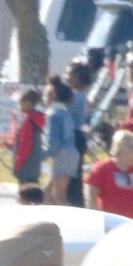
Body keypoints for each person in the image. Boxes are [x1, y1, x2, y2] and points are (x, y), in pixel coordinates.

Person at [84, 128, 133, 218]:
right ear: (122, 148)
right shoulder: (102, 168)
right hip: (111, 224)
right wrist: (94, 218)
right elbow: (91, 196)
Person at [42, 76, 81, 206]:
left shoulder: (53, 114)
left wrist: (40, 156)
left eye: (45, 93)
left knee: (59, 196)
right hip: (70, 153)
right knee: (47, 192)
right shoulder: (64, 112)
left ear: (51, 95)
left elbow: (54, 143)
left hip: (62, 154)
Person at [9, 88, 47, 190]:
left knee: (25, 194)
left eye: (20, 103)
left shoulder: (28, 122)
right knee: (33, 192)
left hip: (25, 166)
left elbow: (25, 144)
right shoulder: (37, 119)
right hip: (34, 166)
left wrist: (18, 162)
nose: (19, 106)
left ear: (28, 103)